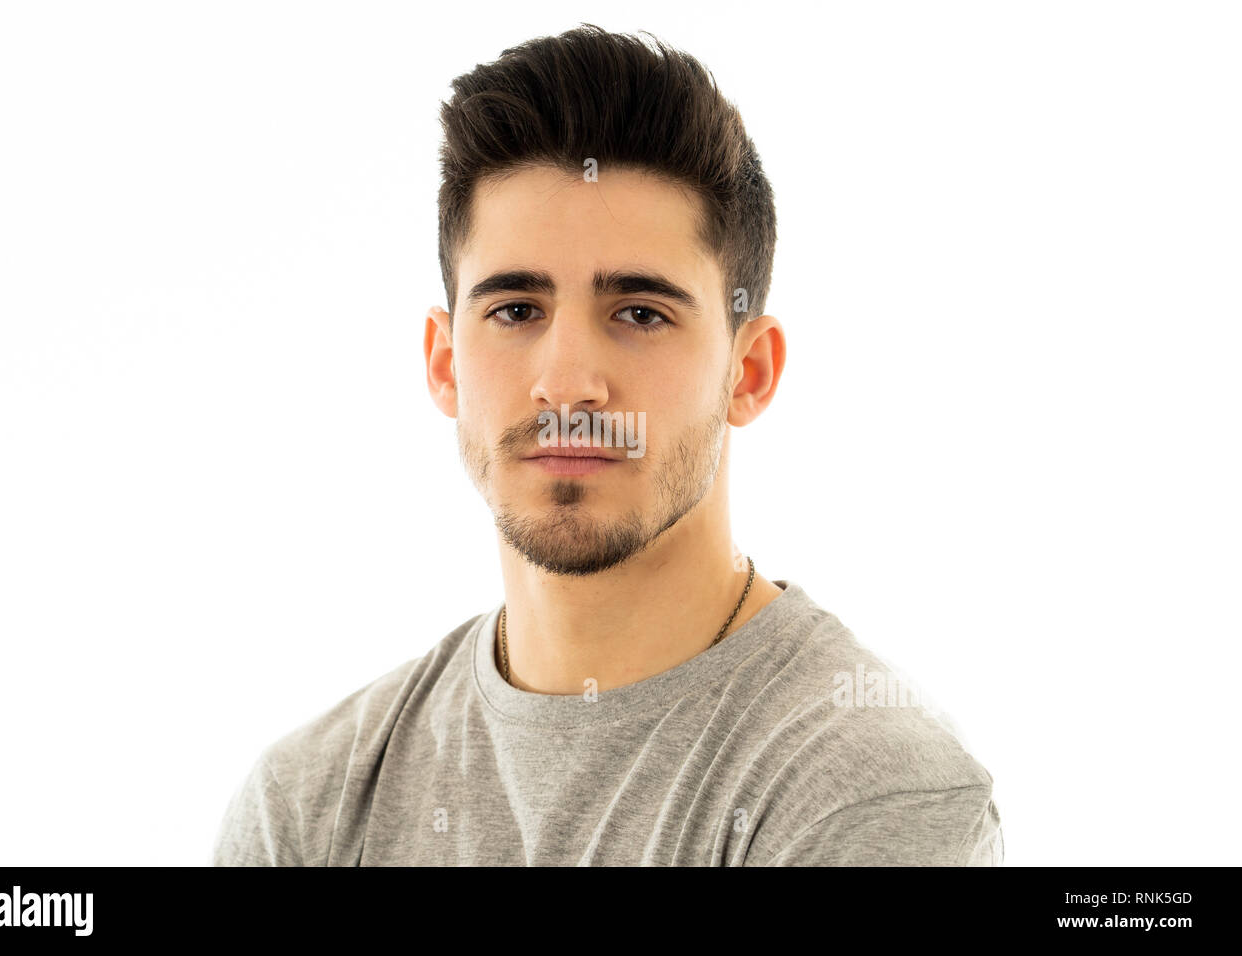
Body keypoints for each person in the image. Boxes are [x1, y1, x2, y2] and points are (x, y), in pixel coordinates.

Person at [213, 23, 1003, 866]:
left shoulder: (865, 793)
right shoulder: (311, 807)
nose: (568, 382)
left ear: (750, 372)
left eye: (640, 313)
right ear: (445, 364)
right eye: (516, 310)